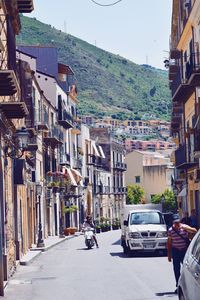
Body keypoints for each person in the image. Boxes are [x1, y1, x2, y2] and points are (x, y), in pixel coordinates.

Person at [167, 217, 197, 293]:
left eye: (178, 223)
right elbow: (169, 243)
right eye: (175, 223)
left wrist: (185, 228)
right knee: (176, 269)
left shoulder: (184, 227)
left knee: (186, 269)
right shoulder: (171, 231)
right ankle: (178, 285)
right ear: (173, 223)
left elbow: (195, 231)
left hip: (184, 251)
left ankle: (186, 285)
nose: (177, 224)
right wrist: (169, 255)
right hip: (176, 251)